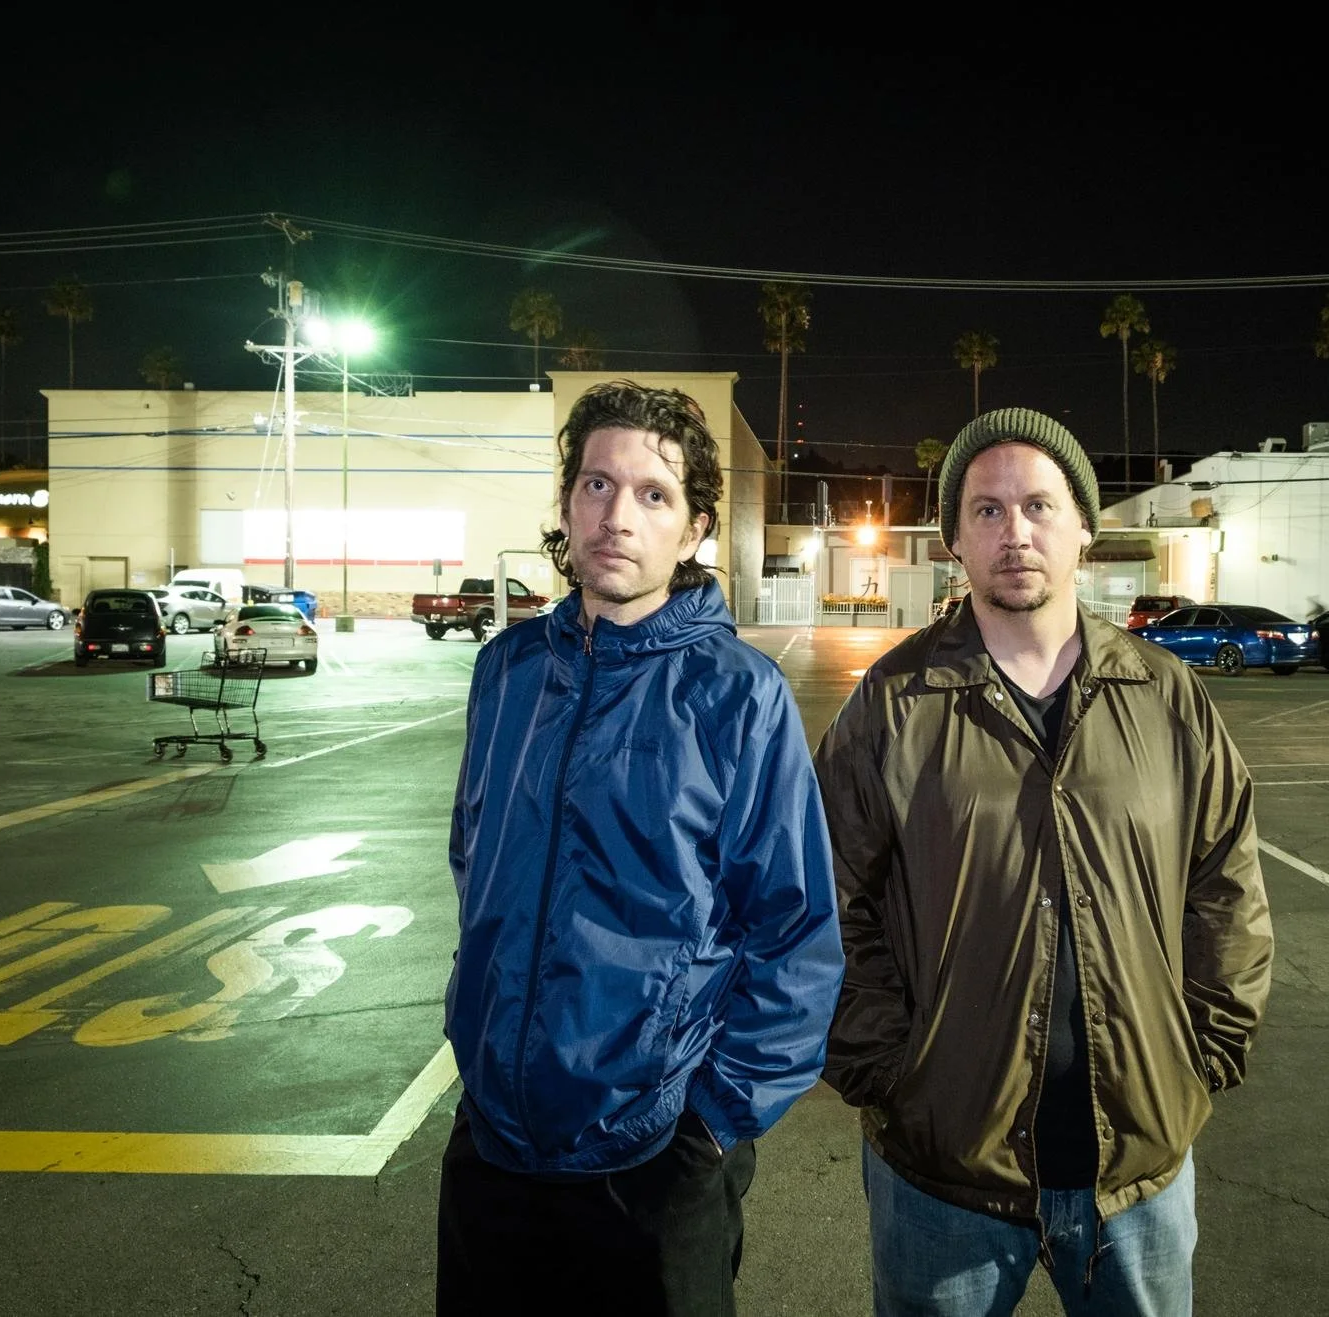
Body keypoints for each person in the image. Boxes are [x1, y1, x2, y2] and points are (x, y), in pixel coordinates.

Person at [814, 407, 1274, 1316]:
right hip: (943, 1175)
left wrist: (1204, 1050)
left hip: (1137, 1170)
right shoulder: (894, 703)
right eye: (986, 510)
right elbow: (827, 901)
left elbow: (1227, 887)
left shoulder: (1166, 696)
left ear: (1084, 529)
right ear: (954, 539)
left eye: (1038, 505)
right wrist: (890, 1073)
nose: (1014, 531)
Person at [439, 379, 844, 1316]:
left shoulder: (738, 694)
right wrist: (479, 1037)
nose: (616, 516)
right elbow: (474, 860)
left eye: (653, 494)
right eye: (597, 485)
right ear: (567, 503)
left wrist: (710, 1122)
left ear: (694, 529)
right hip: (494, 1144)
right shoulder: (506, 672)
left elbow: (795, 932)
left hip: (655, 1158)